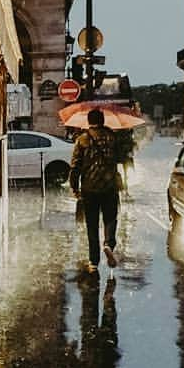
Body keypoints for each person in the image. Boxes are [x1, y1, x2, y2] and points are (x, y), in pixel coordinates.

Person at [69, 108, 121, 274]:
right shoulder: (113, 137)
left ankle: (93, 261)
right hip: (109, 186)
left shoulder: (82, 139)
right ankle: (108, 244)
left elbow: (75, 166)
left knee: (91, 224)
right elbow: (120, 158)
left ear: (89, 121)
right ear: (103, 120)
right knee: (110, 219)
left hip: (89, 188)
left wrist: (74, 187)